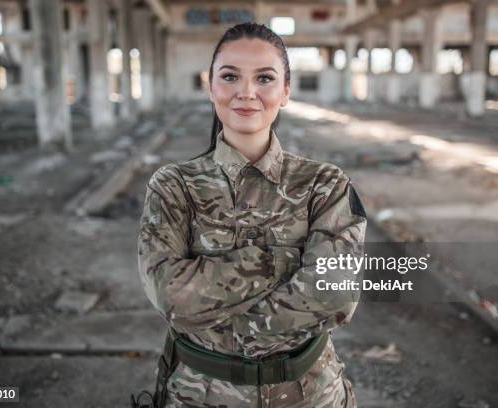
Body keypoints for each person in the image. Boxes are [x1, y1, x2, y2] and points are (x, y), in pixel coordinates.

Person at [137, 22, 367, 408]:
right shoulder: (175, 185)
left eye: (265, 77)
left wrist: (219, 315)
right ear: (210, 86)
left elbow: (336, 294)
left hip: (310, 396)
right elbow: (170, 294)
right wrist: (284, 262)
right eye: (230, 76)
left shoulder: (324, 184)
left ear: (286, 91)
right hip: (201, 396)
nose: (246, 92)